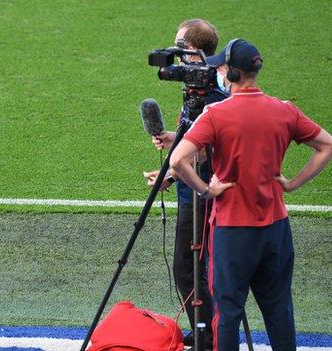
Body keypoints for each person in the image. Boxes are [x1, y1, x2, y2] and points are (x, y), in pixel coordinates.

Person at [170, 39, 332, 350]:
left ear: (232, 74)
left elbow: (178, 160)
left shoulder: (214, 114)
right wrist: (293, 183)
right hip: (276, 228)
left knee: (227, 314)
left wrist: (206, 190)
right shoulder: (285, 110)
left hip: (233, 231)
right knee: (279, 311)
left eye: (222, 67)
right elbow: (329, 146)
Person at [143, 19, 227, 349]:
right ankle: (205, 329)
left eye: (179, 46)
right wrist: (173, 138)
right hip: (194, 189)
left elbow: (204, 154)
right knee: (194, 266)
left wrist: (170, 173)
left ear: (192, 50)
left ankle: (208, 334)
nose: (174, 52)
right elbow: (194, 138)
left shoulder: (210, 96)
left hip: (202, 193)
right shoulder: (196, 90)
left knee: (188, 268)